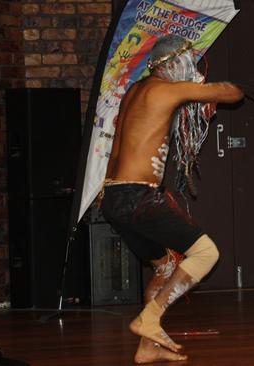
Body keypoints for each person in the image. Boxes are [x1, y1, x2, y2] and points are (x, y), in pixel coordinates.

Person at [100, 34, 243, 363]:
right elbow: (233, 92)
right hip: (138, 197)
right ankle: (148, 321)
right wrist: (202, 84)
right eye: (188, 61)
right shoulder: (165, 88)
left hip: (114, 198)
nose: (190, 67)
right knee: (207, 253)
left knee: (164, 270)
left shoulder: (135, 91)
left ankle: (147, 346)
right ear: (171, 64)